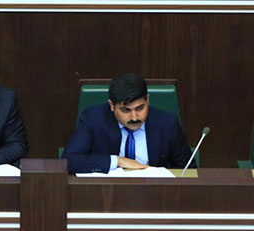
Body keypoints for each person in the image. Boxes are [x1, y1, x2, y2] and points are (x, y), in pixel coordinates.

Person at [62, 74, 193, 174]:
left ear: (147, 100)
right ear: (111, 105)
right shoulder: (93, 119)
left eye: (140, 108)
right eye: (126, 110)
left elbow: (189, 170)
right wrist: (118, 161)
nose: (134, 117)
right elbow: (68, 162)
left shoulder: (167, 123)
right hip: (107, 193)